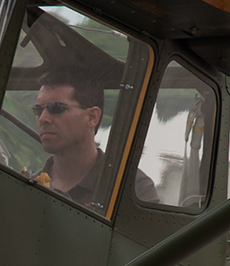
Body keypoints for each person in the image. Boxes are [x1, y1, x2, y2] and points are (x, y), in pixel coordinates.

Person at [33, 69, 156, 211]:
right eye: (38, 110)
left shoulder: (133, 189)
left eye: (56, 108)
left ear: (92, 117)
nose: (43, 119)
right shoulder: (28, 186)